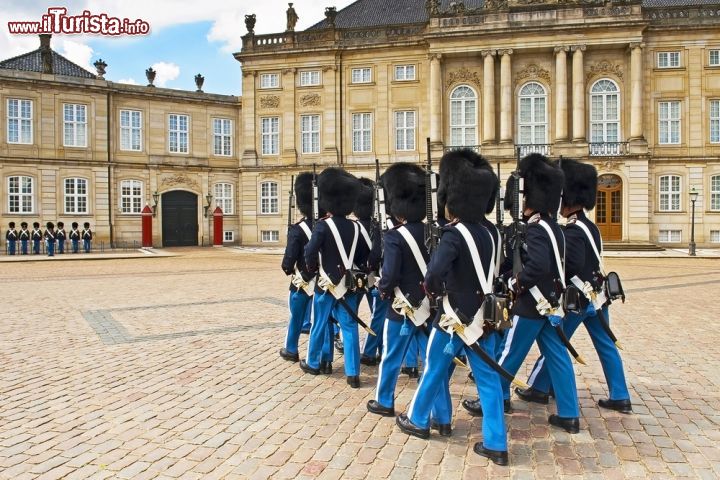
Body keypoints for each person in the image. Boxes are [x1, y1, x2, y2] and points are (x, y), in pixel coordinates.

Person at [396, 150, 509, 465]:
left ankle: (419, 419)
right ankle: (496, 443)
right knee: (487, 380)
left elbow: (433, 275)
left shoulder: (454, 234)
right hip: (486, 315)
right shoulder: (494, 233)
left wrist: (434, 291)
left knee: (434, 367)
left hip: (455, 317)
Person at [516, 159, 632, 413]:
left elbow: (571, 265)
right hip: (597, 296)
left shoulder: (573, 230)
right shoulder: (589, 226)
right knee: (605, 345)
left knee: (556, 343)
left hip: (578, 299)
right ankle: (620, 393)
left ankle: (539, 387)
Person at [497, 153, 581, 434]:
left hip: (532, 304)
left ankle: (495, 401)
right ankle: (569, 414)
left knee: (509, 354)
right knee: (558, 357)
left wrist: (513, 283)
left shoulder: (534, 229)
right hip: (551, 304)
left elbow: (537, 266)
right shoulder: (553, 227)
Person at [366, 163, 431, 418]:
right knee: (429, 361)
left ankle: (384, 400)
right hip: (428, 307)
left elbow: (390, 274)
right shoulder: (435, 231)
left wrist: (383, 288)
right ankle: (437, 411)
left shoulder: (394, 236)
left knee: (392, 357)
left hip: (401, 306)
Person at [301, 167, 369, 388]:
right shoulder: (356, 227)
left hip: (326, 283)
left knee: (319, 323)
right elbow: (363, 257)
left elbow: (310, 252)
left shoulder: (322, 226)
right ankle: (353, 373)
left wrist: (313, 269)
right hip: (348, 285)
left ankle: (314, 362)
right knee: (349, 326)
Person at [280, 172, 316, 363]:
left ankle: (291, 348)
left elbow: (288, 261)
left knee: (296, 317)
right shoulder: (326, 226)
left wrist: (287, 268)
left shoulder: (298, 229)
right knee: (322, 321)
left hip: (302, 280)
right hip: (326, 282)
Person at [354, 177, 386, 367]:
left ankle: (366, 350)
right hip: (374, 274)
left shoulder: (355, 227)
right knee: (378, 315)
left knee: (350, 315)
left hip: (358, 274)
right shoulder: (376, 226)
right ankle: (379, 348)